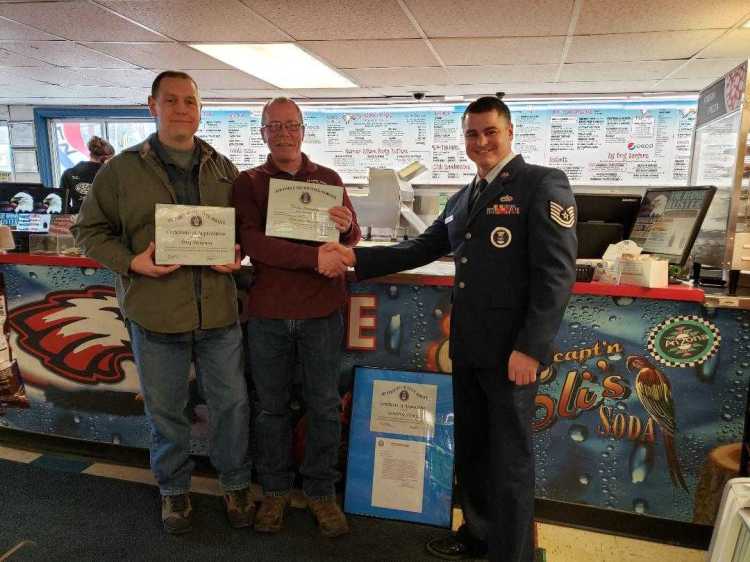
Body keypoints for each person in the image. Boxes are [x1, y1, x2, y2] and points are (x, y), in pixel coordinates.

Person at [325, 96, 577, 561]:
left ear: (510, 133)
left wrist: (531, 348)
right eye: (472, 134)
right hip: (469, 347)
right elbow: (423, 246)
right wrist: (356, 257)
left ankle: (512, 554)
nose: (480, 141)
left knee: (510, 463)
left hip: (511, 354)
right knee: (475, 452)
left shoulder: (542, 184)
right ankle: (479, 534)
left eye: (490, 132)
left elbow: (556, 275)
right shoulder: (464, 197)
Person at [71, 71, 254, 535]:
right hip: (155, 315)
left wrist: (238, 253)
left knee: (231, 406)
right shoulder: (120, 170)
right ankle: (174, 492)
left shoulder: (223, 168)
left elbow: (242, 232)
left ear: (199, 109)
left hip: (218, 314)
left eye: (189, 101)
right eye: (170, 100)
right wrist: (132, 262)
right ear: (152, 105)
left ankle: (235, 484)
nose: (181, 109)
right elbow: (87, 232)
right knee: (166, 411)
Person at [231, 97, 360, 538]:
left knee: (324, 406)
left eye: (292, 125)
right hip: (268, 314)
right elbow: (253, 243)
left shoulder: (328, 179)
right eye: (275, 126)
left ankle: (321, 492)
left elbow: (352, 235)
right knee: (270, 409)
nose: (284, 133)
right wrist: (314, 258)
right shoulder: (248, 183)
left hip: (321, 311)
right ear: (263, 133)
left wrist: (344, 229)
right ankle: (275, 490)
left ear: (303, 130)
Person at [60, 135, 114, 214]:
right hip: (103, 222)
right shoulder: (111, 175)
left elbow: (63, 207)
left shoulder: (68, 173)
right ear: (105, 159)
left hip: (78, 221)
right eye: (111, 159)